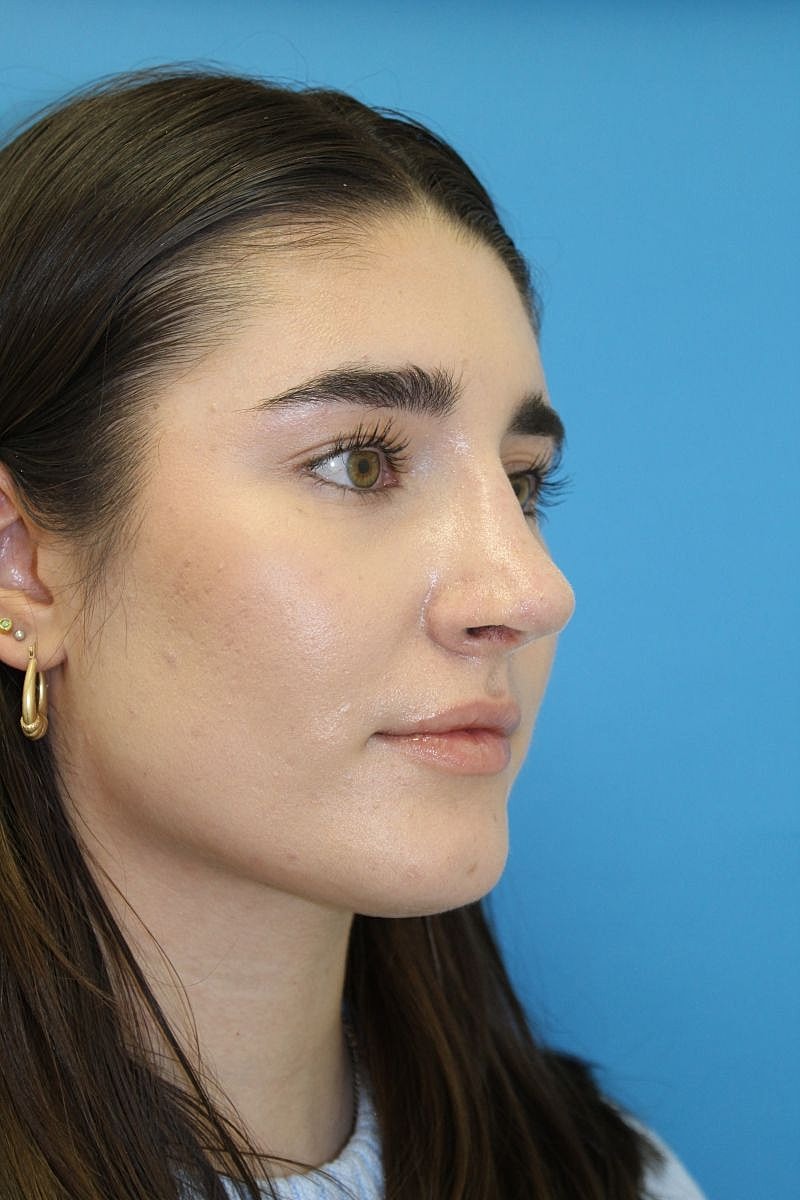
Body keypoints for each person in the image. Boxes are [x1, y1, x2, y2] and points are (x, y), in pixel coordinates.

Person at [0, 65, 706, 1199]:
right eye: (359, 463)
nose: (527, 591)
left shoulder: (612, 1177)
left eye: (523, 484)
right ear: (23, 564)